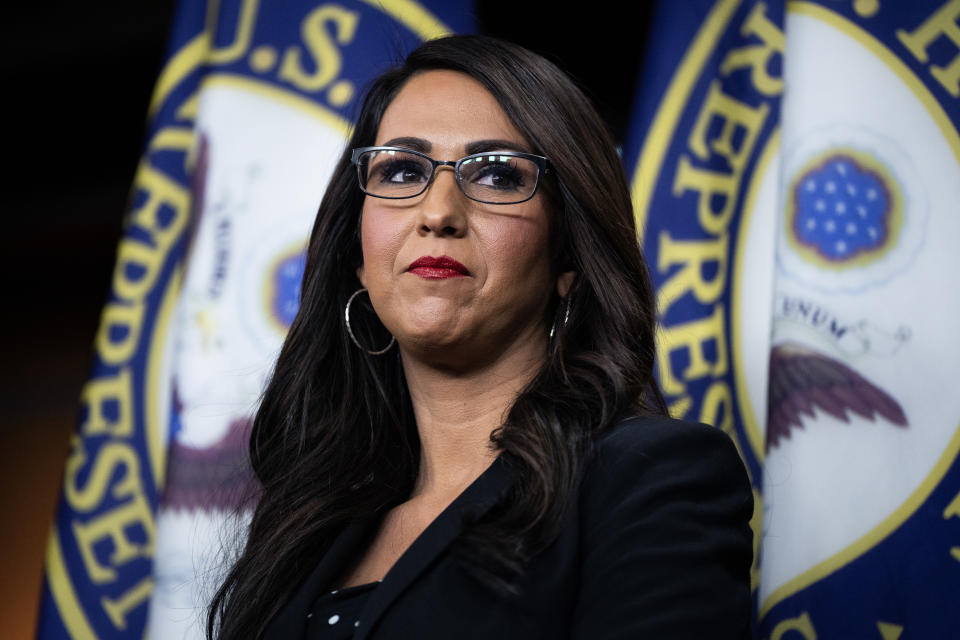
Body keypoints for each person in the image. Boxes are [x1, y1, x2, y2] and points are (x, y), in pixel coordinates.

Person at [208, 35, 753, 640]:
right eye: (401, 169)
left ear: (568, 256)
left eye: (495, 174)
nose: (438, 211)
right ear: (358, 257)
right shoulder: (304, 522)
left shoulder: (650, 476)